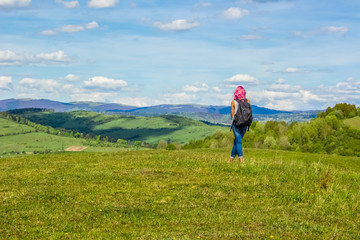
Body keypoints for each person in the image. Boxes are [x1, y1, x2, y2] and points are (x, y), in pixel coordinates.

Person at [229, 86, 250, 163]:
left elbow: (232, 114)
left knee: (238, 142)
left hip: (236, 124)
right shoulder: (248, 101)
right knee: (237, 141)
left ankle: (241, 160)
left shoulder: (233, 102)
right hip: (245, 124)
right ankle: (231, 160)